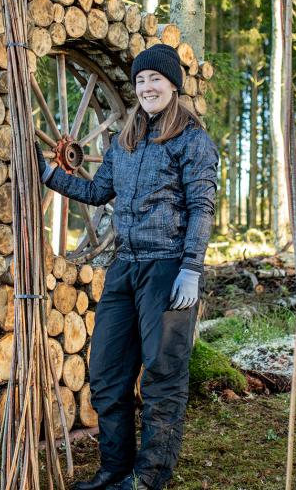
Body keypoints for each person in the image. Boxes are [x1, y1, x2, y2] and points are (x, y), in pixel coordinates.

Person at [37, 44, 219, 490]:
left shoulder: (192, 140)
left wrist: (191, 268)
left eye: (155, 79)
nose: (146, 87)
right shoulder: (125, 140)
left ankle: (149, 476)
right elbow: (99, 192)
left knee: (161, 372)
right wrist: (47, 174)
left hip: (169, 267)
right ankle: (114, 468)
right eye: (140, 81)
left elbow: (201, 206)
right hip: (125, 267)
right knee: (106, 372)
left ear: (173, 85)